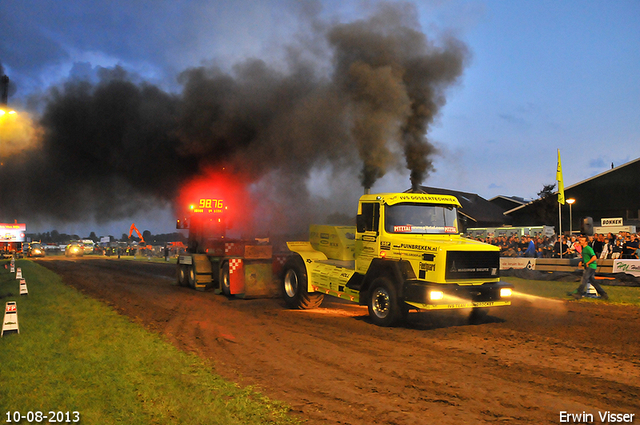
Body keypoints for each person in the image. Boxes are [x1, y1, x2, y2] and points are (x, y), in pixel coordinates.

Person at [572, 236, 608, 300]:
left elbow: (594, 257)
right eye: (580, 240)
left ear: (586, 242)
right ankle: (603, 294)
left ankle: (579, 294)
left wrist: (588, 263)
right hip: (589, 266)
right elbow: (586, 257)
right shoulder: (583, 249)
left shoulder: (588, 248)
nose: (580, 241)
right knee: (593, 281)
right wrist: (582, 261)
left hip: (591, 266)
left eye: (582, 240)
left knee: (584, 279)